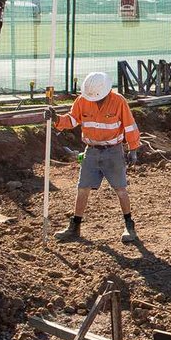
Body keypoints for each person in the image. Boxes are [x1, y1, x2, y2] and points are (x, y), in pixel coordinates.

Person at [51, 71, 142, 243]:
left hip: (113, 151)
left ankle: (129, 226)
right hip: (91, 151)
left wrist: (133, 149)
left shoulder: (119, 101)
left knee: (120, 189)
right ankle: (75, 226)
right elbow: (72, 120)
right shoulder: (83, 100)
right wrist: (56, 119)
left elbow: (129, 125)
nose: (94, 100)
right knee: (83, 188)